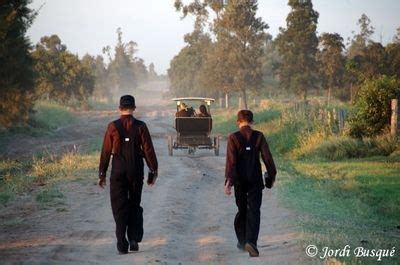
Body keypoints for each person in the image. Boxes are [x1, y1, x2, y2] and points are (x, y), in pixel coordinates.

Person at [98, 95, 158, 254]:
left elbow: (105, 151)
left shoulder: (112, 127)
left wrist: (102, 173)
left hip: (118, 170)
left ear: (119, 108)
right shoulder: (140, 126)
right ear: (134, 108)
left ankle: (121, 243)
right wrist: (153, 170)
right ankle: (133, 238)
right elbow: (148, 151)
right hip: (136, 171)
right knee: (134, 204)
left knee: (119, 207)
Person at [224, 110, 277, 257]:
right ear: (252, 122)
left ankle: (242, 241)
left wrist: (229, 182)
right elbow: (267, 158)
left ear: (237, 122)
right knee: (254, 210)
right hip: (255, 180)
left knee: (242, 210)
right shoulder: (258, 136)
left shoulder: (233, 137)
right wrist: (271, 176)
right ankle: (251, 242)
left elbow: (231, 162)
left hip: (240, 181)